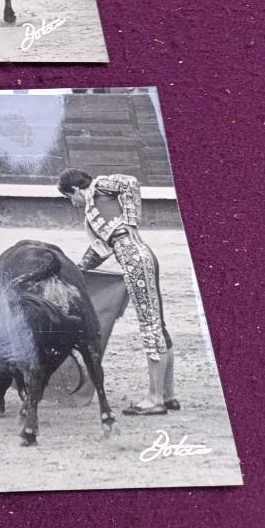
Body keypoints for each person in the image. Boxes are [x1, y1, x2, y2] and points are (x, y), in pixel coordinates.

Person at [57, 168, 178, 415]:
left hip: (135, 260)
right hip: (141, 256)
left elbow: (131, 182)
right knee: (157, 325)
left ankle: (155, 399)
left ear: (75, 190)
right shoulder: (92, 211)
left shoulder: (99, 185)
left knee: (150, 327)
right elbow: (101, 250)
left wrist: (132, 220)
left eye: (70, 198)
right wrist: (78, 270)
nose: (74, 204)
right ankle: (167, 395)